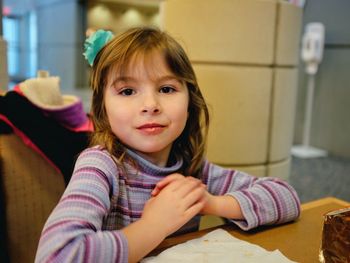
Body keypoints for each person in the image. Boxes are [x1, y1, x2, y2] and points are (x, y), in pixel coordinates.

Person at [35, 27, 300, 263]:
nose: (150, 105)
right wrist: (154, 225)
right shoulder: (101, 166)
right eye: (127, 91)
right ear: (103, 110)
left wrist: (211, 203)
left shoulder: (191, 168)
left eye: (166, 89)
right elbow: (57, 255)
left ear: (190, 103)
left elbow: (286, 198)